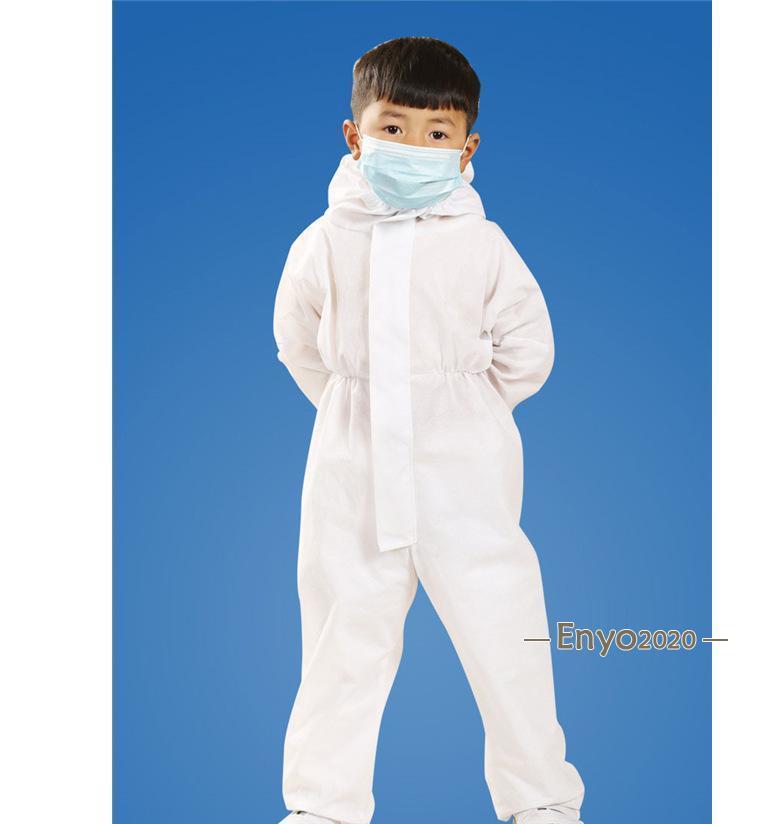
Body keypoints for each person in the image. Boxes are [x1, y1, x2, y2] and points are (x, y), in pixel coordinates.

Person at [272, 36, 585, 824]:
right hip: (353, 469)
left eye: (437, 132)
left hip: (463, 473)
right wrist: (358, 403)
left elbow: (529, 348)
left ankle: (543, 801)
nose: (414, 146)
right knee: (342, 638)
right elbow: (298, 341)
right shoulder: (323, 242)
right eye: (394, 128)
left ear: (467, 148)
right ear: (355, 136)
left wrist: (464, 410)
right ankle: (322, 806)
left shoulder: (482, 245)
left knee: (505, 635)